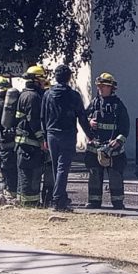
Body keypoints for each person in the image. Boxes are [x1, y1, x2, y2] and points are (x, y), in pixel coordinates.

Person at [41, 64, 93, 212]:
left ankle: (61, 198)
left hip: (51, 134)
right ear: (69, 78)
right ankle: (58, 199)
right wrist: (90, 135)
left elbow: (42, 117)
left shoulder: (47, 95)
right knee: (63, 168)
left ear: (55, 78)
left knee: (56, 167)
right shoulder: (74, 95)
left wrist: (44, 137)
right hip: (68, 134)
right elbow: (82, 117)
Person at [84, 72, 129, 210]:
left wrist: (119, 141)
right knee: (94, 175)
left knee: (115, 176)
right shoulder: (94, 103)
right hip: (95, 148)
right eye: (99, 86)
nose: (100, 88)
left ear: (111, 88)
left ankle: (117, 203)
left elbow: (125, 126)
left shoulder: (118, 106)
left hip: (113, 148)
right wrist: (89, 122)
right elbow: (83, 118)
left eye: (103, 86)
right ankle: (94, 202)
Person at [14, 65, 47, 207]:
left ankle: (26, 203)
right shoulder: (33, 97)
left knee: (26, 175)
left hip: (25, 144)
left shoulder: (25, 94)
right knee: (30, 175)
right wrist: (41, 140)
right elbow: (34, 121)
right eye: (42, 80)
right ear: (35, 81)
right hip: (30, 145)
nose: (43, 83)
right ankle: (29, 204)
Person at [40, 78, 55, 208]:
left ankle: (45, 198)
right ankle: (47, 197)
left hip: (43, 141)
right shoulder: (48, 100)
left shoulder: (42, 99)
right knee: (49, 172)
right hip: (46, 141)